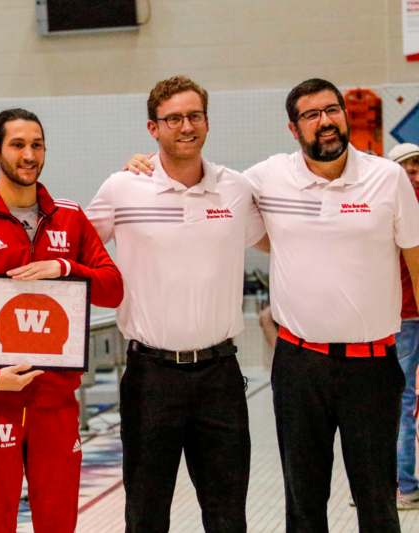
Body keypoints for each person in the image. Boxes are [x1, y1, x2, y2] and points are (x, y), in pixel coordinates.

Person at [124, 78, 419, 532]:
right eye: (311, 114)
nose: (325, 121)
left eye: (332, 110)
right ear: (292, 127)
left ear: (345, 115)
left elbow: (417, 262)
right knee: (303, 501)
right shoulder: (265, 179)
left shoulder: (387, 178)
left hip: (373, 366)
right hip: (300, 365)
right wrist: (147, 167)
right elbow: (210, 190)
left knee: (378, 500)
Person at [86, 76, 266, 533]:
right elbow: (75, 249)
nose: (186, 126)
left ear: (207, 121)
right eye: (174, 119)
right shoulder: (122, 189)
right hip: (151, 377)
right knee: (146, 514)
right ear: (153, 128)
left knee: (228, 515)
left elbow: (282, 240)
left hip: (220, 375)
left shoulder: (237, 190)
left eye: (195, 116)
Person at [0, 108, 124, 533]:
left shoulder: (71, 219)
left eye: (37, 145)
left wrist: (66, 269)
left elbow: (113, 288)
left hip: (55, 402)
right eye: (18, 145)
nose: (29, 154)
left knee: (57, 523)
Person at [387, 142, 419, 510]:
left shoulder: (389, 205)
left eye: (416, 166)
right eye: (405, 167)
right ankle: (399, 484)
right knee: (403, 402)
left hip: (404, 319)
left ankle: (400, 485)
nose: (412, 172)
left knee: (402, 402)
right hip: (402, 319)